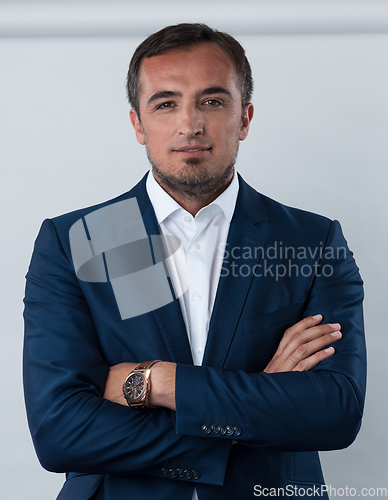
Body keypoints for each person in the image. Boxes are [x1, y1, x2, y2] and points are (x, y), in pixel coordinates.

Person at [23, 23, 366, 500]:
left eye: (212, 100)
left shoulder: (312, 241)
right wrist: (259, 397)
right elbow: (61, 432)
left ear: (244, 117)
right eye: (166, 103)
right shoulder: (79, 240)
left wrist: (160, 382)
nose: (190, 124)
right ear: (138, 124)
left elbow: (335, 412)